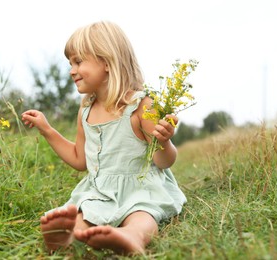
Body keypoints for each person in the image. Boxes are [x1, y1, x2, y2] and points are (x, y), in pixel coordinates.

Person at [21, 21, 186, 256]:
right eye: (70, 63)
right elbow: (80, 159)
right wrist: (48, 130)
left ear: (107, 63)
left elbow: (164, 161)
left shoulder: (141, 106)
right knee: (85, 215)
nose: (71, 70)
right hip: (101, 191)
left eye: (78, 61)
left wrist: (164, 141)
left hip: (141, 188)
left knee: (141, 215)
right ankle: (67, 238)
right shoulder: (86, 109)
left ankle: (132, 236)